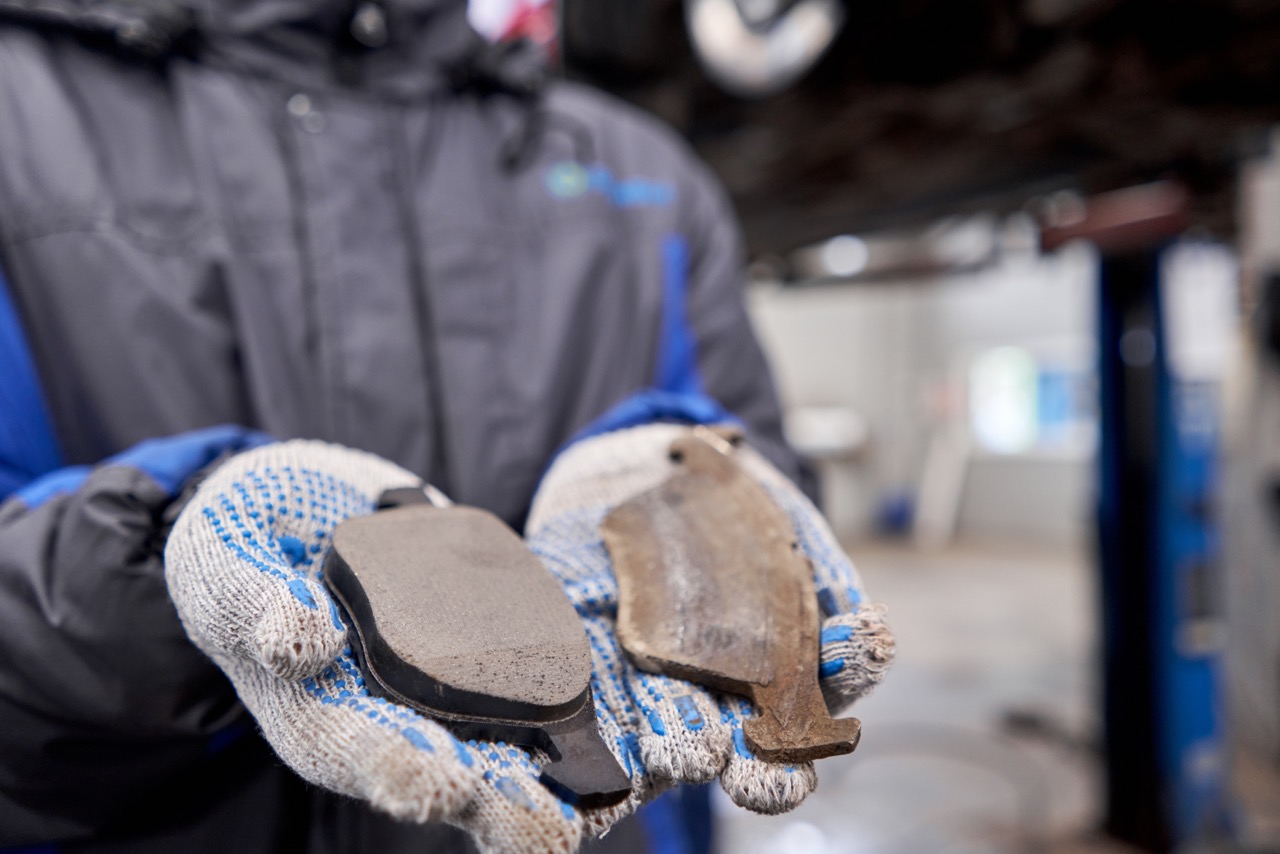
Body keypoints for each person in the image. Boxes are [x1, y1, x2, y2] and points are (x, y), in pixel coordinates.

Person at [0, 1, 891, 851]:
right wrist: (156, 572)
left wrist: (687, 476)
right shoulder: (18, 117)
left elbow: (763, 482)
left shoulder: (644, 176)